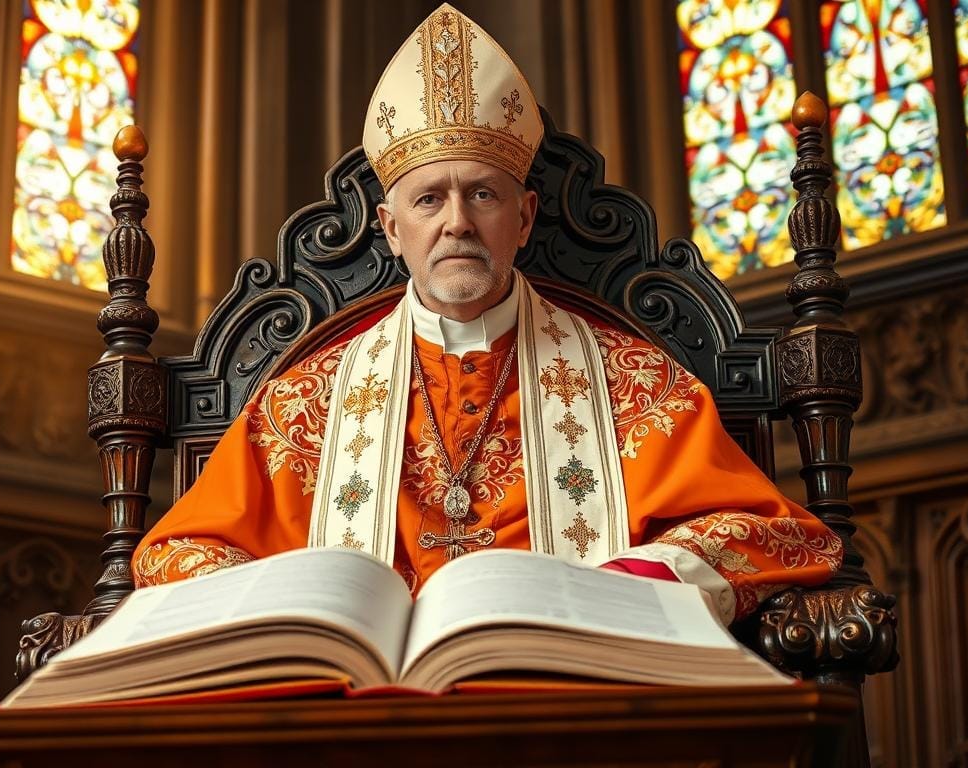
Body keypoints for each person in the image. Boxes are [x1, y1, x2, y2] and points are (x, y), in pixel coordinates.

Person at [131, 3, 840, 626]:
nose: (458, 223)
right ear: (390, 226)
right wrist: (303, 605)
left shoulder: (633, 386)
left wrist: (627, 589)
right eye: (429, 200)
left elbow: (761, 531)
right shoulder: (302, 405)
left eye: (484, 195)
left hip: (568, 697)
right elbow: (176, 554)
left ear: (526, 216)